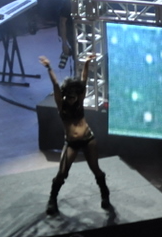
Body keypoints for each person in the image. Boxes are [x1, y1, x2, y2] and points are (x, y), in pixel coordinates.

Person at [37, 53, 110, 214]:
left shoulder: (79, 101)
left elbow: (84, 80)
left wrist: (86, 63)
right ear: (65, 95)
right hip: (71, 143)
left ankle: (105, 195)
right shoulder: (61, 105)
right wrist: (49, 67)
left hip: (88, 139)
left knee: (95, 169)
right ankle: (52, 199)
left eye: (75, 96)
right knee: (62, 172)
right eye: (69, 97)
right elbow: (55, 84)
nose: (72, 99)